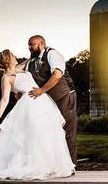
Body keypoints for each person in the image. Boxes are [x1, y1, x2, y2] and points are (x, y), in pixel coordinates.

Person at [0, 49, 75, 180]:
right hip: (28, 105)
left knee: (47, 133)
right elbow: (4, 99)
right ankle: (33, 166)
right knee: (33, 135)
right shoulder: (6, 78)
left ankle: (50, 165)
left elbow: (32, 58)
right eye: (13, 55)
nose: (16, 57)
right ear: (8, 60)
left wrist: (42, 49)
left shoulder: (20, 67)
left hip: (42, 101)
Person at [24, 35, 79, 164]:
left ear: (41, 44)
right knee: (50, 131)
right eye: (29, 45)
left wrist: (41, 90)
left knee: (67, 130)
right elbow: (18, 71)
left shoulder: (52, 54)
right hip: (49, 101)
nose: (29, 47)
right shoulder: (30, 62)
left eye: (32, 44)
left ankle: (71, 165)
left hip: (65, 96)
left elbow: (57, 75)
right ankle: (55, 164)